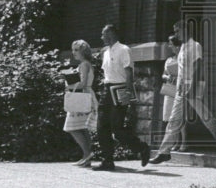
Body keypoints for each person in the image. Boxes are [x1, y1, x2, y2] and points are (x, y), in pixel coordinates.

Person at [150, 19, 216, 164]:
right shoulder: (183, 47)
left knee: (204, 115)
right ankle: (164, 152)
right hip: (181, 87)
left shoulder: (195, 45)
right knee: (174, 119)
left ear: (185, 30)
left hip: (193, 85)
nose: (176, 34)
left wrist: (191, 87)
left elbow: (198, 67)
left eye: (177, 31)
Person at [95, 23, 151, 171]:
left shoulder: (124, 49)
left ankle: (142, 148)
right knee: (101, 127)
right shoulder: (105, 52)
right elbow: (107, 74)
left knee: (117, 128)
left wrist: (128, 92)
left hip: (120, 89)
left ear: (111, 34)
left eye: (103, 34)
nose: (101, 37)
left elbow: (128, 73)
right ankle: (107, 160)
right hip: (107, 89)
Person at [63, 39, 98, 166]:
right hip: (87, 95)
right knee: (83, 128)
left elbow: (83, 83)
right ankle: (86, 156)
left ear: (83, 51)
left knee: (72, 127)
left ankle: (87, 153)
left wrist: (70, 86)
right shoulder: (87, 63)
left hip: (82, 96)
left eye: (76, 50)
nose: (74, 52)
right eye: (73, 50)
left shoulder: (83, 65)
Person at [161, 35, 185, 150]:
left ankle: (184, 142)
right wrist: (168, 77)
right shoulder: (169, 60)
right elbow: (163, 74)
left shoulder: (183, 58)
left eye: (171, 44)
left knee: (179, 117)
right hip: (170, 88)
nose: (169, 46)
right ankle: (174, 143)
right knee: (170, 117)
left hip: (180, 88)